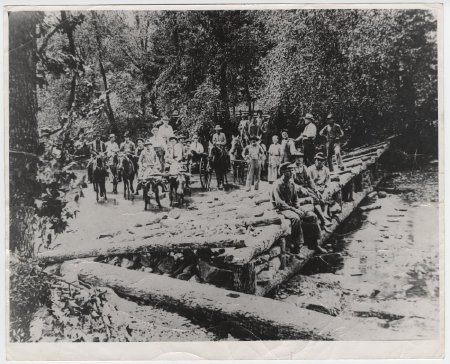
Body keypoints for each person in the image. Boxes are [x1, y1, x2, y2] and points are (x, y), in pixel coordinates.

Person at [271, 162, 327, 254]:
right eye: (289, 170)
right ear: (283, 172)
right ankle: (297, 248)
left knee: (312, 216)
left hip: (291, 207)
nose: (292, 172)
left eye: (292, 170)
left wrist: (298, 208)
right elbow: (280, 203)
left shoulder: (291, 184)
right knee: (296, 218)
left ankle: (314, 244)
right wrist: (295, 210)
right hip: (280, 209)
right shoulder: (277, 184)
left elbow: (295, 199)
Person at [292, 152, 332, 231]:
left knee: (318, 198)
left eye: (300, 158)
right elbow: (291, 183)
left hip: (306, 188)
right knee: (313, 200)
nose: (299, 159)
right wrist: (300, 188)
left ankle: (323, 221)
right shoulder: (292, 168)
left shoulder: (304, 167)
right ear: (295, 159)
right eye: (297, 158)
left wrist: (316, 190)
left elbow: (310, 180)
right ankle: (323, 220)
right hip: (296, 190)